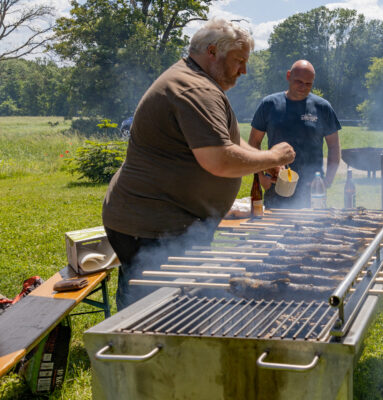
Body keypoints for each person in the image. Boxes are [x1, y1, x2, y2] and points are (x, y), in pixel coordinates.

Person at [102, 18, 295, 310]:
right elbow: (219, 159)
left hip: (157, 220)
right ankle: (140, 351)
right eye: (239, 61)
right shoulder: (196, 89)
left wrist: (259, 163)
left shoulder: (196, 81)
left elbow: (226, 141)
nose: (244, 70)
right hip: (155, 225)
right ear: (213, 52)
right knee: (156, 311)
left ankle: (132, 347)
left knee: (150, 298)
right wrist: (273, 156)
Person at [248, 60, 341, 209]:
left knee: (312, 230)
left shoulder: (323, 107)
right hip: (276, 186)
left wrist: (327, 180)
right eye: (299, 81)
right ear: (288, 76)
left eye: (308, 84)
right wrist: (260, 177)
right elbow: (253, 142)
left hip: (311, 190)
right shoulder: (269, 104)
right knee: (273, 230)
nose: (303, 87)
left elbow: (334, 146)